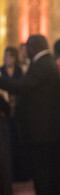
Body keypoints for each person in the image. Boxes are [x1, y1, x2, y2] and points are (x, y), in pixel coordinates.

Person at [0, 35, 60, 195]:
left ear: (33, 47)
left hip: (41, 132)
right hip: (46, 130)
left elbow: (23, 87)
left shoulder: (42, 64)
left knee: (42, 173)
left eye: (26, 47)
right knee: (47, 172)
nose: (24, 51)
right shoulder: (47, 62)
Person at [1, 46, 25, 182]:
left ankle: (20, 173)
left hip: (18, 111)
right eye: (5, 55)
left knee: (18, 141)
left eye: (10, 56)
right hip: (5, 111)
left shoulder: (19, 71)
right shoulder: (1, 71)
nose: (7, 58)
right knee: (8, 142)